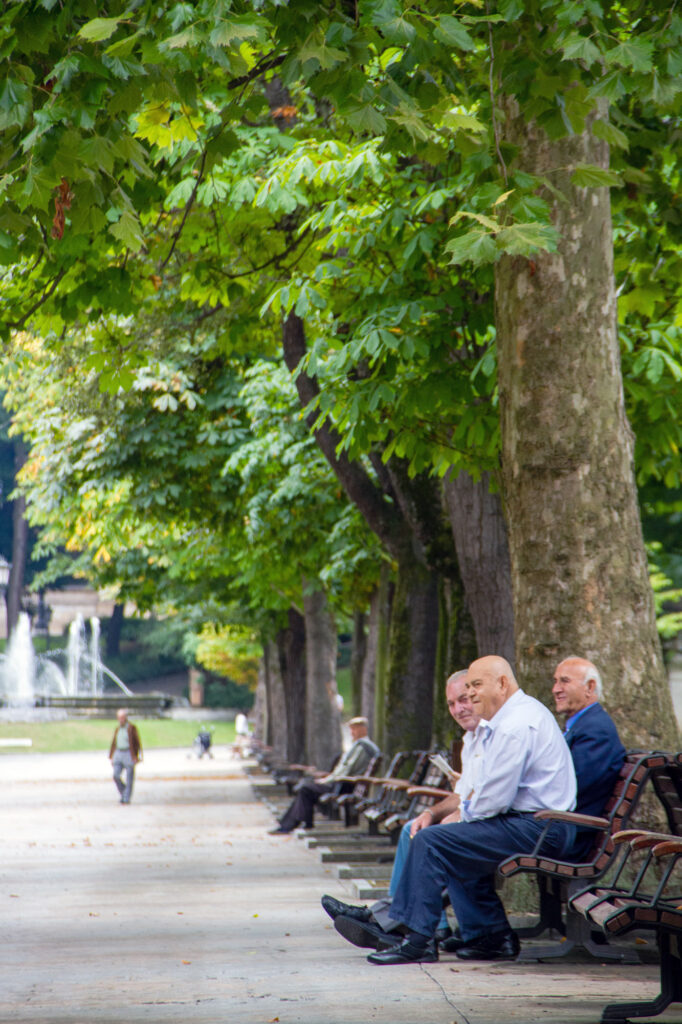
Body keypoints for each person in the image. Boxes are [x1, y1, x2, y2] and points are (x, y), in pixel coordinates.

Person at [349, 656, 577, 965]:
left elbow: (494, 798)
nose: (470, 694)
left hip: (542, 829)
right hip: (533, 825)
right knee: (447, 838)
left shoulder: (516, 725)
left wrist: (461, 816)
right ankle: (491, 936)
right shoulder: (508, 720)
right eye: (467, 686)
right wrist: (457, 815)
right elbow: (483, 790)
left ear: (502, 684)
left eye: (476, 685)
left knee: (434, 841)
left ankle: (417, 939)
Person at [322, 670, 480, 942]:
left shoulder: (502, 733)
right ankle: (418, 923)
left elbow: (495, 797)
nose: (458, 709)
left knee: (429, 837)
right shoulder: (472, 739)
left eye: (464, 699)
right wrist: (431, 811)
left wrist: (459, 811)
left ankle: (389, 920)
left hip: (506, 826)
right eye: (452, 704)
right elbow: (468, 792)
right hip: (484, 818)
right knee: (414, 827)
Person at [552, 655, 626, 855]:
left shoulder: (595, 730)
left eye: (564, 681)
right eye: (556, 681)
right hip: (561, 827)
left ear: (589, 687)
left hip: (571, 836)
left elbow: (568, 786)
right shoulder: (583, 725)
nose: (555, 689)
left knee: (476, 838)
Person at [269, 717, 379, 835]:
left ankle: (291, 824)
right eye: (351, 729)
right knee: (306, 787)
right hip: (343, 783)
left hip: (343, 785)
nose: (352, 732)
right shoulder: (360, 745)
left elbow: (347, 770)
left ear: (364, 729)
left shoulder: (363, 747)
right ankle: (289, 823)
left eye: (355, 729)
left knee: (306, 789)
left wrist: (326, 780)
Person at [109, 708, 142, 805]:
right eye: (119, 718)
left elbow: (136, 743)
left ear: (125, 717)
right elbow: (114, 743)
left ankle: (126, 798)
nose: (120, 720)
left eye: (122, 718)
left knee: (129, 777)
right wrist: (112, 756)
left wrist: (136, 756)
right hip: (118, 752)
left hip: (128, 752)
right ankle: (124, 793)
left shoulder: (131, 728)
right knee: (116, 775)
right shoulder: (117, 729)